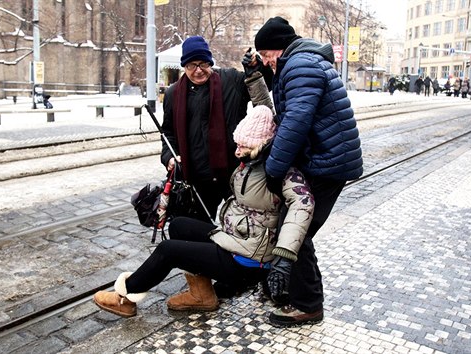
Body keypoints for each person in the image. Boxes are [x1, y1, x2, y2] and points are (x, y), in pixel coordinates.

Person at [93, 105, 314, 318]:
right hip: (233, 240)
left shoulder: (280, 173)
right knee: (180, 224)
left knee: (169, 250)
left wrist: (283, 257)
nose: (237, 151)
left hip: (248, 259)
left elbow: (303, 204)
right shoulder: (249, 164)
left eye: (243, 146)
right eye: (237, 144)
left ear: (261, 145)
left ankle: (125, 297)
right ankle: (202, 296)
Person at [253, 16, 363, 327]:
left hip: (327, 163)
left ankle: (309, 305)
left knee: (296, 231)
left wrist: (274, 169)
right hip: (326, 158)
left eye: (265, 56)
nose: (265, 62)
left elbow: (295, 121)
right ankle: (291, 290)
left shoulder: (299, 66)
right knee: (296, 229)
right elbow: (290, 104)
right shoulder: (300, 62)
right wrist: (262, 72)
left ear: (278, 49)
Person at [160, 36, 273, 222]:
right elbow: (168, 133)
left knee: (242, 227)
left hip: (234, 174)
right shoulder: (174, 94)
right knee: (199, 232)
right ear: (184, 67)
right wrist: (168, 157)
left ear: (210, 62)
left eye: (203, 64)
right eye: (191, 65)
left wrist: (257, 67)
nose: (198, 71)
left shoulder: (231, 80)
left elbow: (262, 85)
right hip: (197, 179)